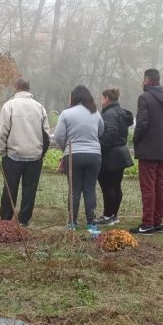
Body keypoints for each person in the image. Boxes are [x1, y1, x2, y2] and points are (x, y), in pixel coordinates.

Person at [0, 77, 50, 226]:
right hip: (34, 156)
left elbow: (2, 131)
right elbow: (46, 134)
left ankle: (6, 219)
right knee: (30, 190)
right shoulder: (40, 107)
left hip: (13, 155)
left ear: (15, 87)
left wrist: (1, 151)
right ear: (29, 88)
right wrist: (41, 153)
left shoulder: (9, 106)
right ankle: (24, 220)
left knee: (9, 188)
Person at [129, 68, 163, 235]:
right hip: (162, 149)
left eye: (143, 79)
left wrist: (136, 141)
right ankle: (157, 222)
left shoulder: (144, 97)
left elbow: (141, 124)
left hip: (148, 149)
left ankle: (147, 224)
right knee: (160, 186)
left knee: (148, 187)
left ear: (147, 80)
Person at [53, 85, 104, 230]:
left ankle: (72, 223)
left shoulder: (66, 113)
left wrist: (66, 150)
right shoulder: (95, 113)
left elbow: (58, 136)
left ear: (73, 97)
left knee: (74, 190)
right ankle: (91, 223)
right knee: (90, 189)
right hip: (94, 155)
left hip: (73, 154)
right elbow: (101, 130)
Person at [97, 88, 134, 225]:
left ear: (106, 98)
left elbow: (110, 133)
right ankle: (114, 215)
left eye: (101, 98)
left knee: (107, 186)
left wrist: (99, 147)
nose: (101, 101)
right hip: (121, 153)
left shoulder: (109, 114)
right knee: (116, 186)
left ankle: (107, 216)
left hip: (110, 154)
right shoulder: (121, 112)